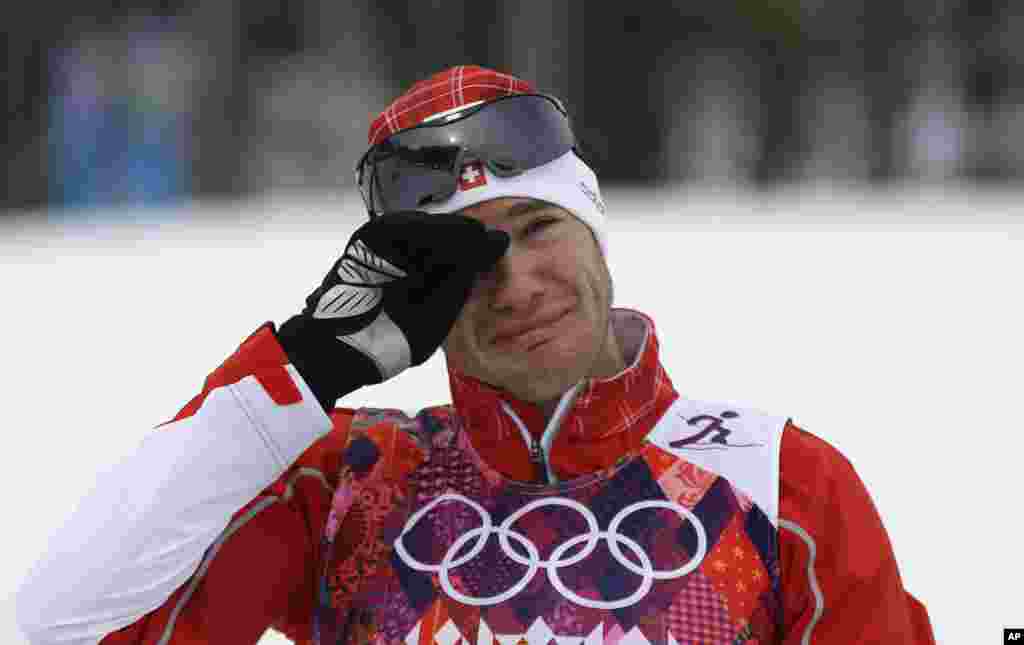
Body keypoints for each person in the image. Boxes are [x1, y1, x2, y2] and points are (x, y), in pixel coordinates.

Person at [16, 65, 935, 645]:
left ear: (596, 232)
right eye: (469, 262)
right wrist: (299, 373)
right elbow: (53, 624)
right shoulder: (347, 482)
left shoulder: (783, 482)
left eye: (539, 227)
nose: (518, 281)